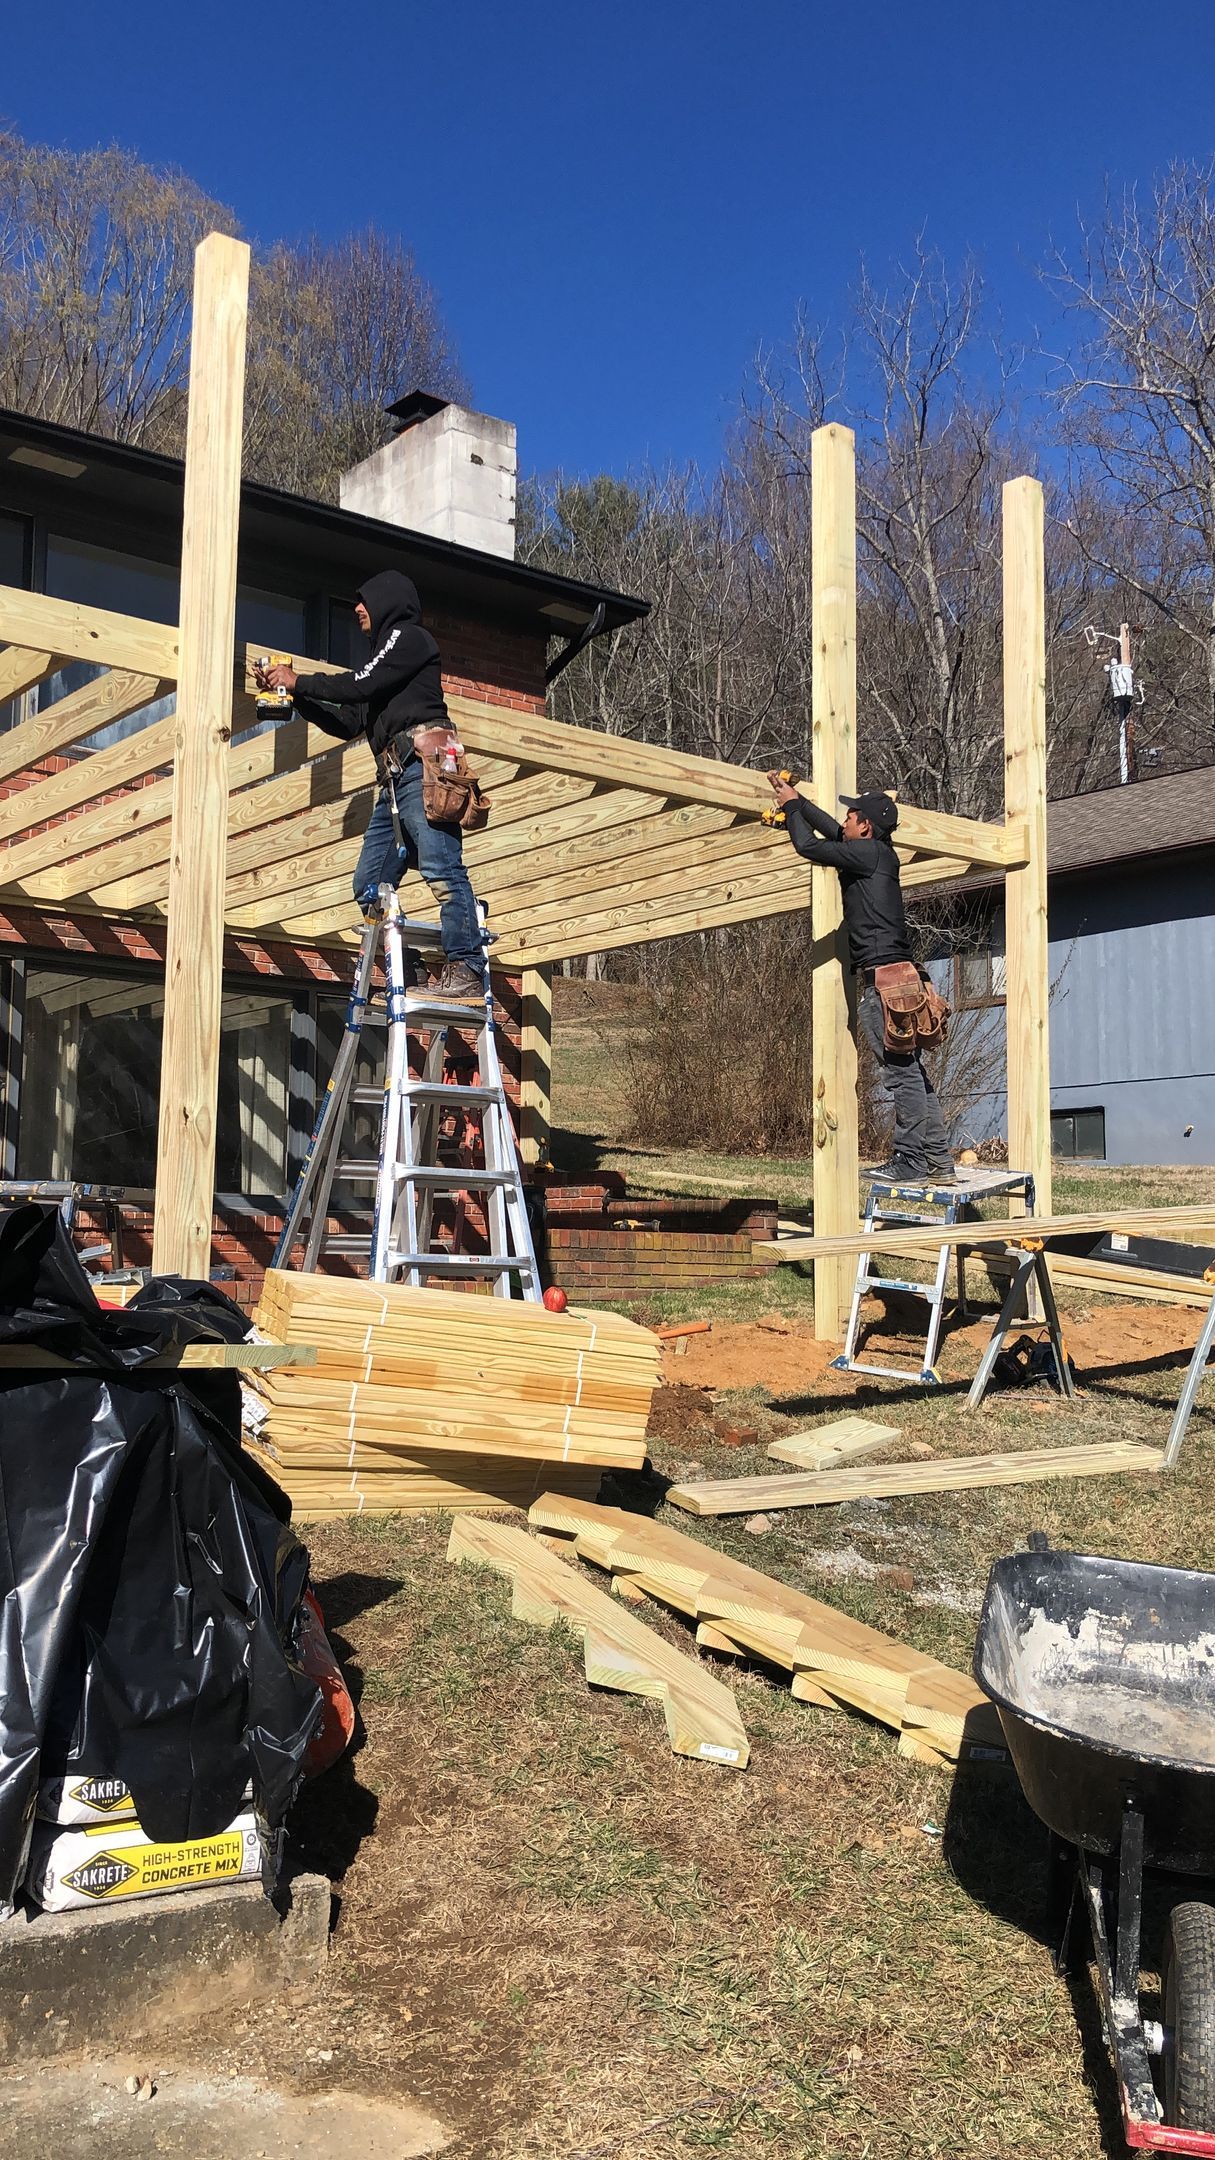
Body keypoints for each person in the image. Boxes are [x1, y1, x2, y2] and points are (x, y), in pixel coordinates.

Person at [258, 572, 485, 1001]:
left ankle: (467, 965)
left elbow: (361, 682)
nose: (357, 609)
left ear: (386, 602)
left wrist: (298, 679)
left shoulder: (409, 638)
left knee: (441, 868)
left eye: (363, 602)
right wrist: (296, 695)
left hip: (423, 767)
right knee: (369, 884)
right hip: (394, 780)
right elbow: (347, 721)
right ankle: (410, 969)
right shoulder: (384, 670)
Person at [767, 775, 955, 1183]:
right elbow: (833, 834)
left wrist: (792, 808)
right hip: (903, 980)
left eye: (851, 815)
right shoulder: (876, 854)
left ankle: (910, 1160)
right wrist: (798, 802)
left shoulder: (868, 855)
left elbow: (810, 846)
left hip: (886, 985)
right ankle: (939, 1161)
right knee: (912, 1072)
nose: (844, 820)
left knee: (901, 1074)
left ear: (866, 826)